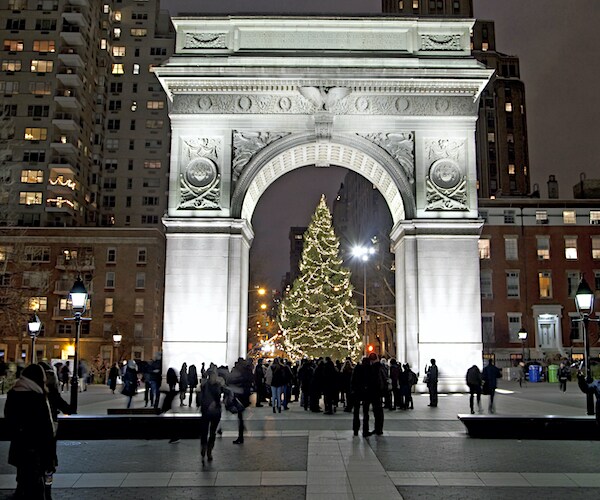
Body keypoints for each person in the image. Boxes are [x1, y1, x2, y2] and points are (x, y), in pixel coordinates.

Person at [4, 364, 56, 499]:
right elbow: (46, 428)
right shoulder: (38, 396)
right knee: (36, 486)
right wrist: (50, 456)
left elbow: (9, 421)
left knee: (22, 480)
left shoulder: (13, 393)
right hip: (36, 448)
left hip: (19, 446)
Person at [39, 361, 71, 500]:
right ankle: (47, 490)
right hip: (49, 430)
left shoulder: (30, 391)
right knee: (48, 461)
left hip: (29, 435)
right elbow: (66, 407)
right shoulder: (51, 391)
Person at [199, 364, 225, 464]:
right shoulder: (218, 385)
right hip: (214, 411)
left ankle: (206, 449)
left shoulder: (205, 385)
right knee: (210, 432)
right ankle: (208, 450)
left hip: (208, 411)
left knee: (207, 431)